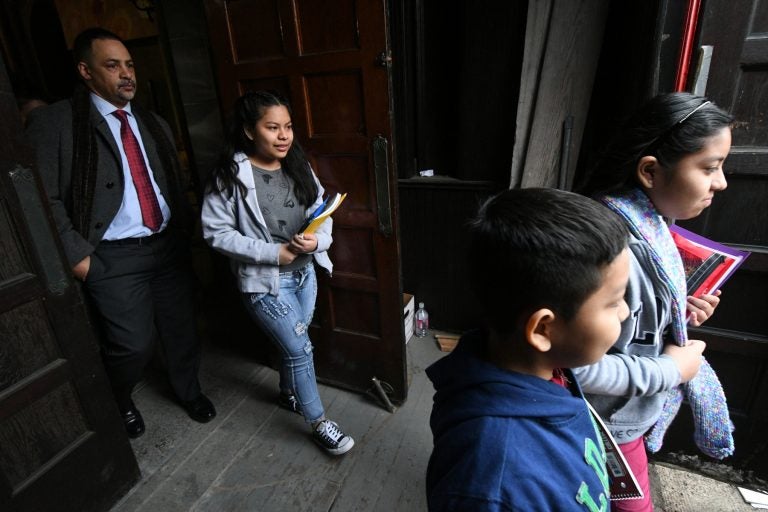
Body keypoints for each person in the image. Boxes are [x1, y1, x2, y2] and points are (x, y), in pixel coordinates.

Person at [25, 27, 216, 439]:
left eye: (129, 64)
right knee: (132, 344)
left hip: (166, 246)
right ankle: (120, 398)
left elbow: (174, 180)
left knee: (182, 328)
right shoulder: (55, 123)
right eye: (112, 65)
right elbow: (41, 198)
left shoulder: (152, 122)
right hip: (112, 258)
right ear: (85, 71)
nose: (126, 74)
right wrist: (78, 257)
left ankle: (189, 390)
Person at [573, 92, 735, 511]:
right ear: (650, 171)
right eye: (710, 168)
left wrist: (674, 316)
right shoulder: (607, 249)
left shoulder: (653, 230)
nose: (721, 182)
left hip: (623, 421)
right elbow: (572, 365)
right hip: (596, 425)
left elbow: (628, 329)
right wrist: (671, 368)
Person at [426, 187, 631, 510]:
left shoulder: (551, 368)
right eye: (615, 301)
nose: (625, 312)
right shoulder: (491, 484)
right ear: (543, 329)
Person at [200, 90, 354, 455]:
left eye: (288, 126)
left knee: (292, 346)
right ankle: (318, 422)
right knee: (300, 349)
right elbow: (215, 232)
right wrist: (275, 253)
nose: (284, 135)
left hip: (306, 275)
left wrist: (316, 244)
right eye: (273, 127)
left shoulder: (299, 165)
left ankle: (288, 394)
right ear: (250, 131)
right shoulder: (230, 176)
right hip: (267, 282)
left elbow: (323, 211)